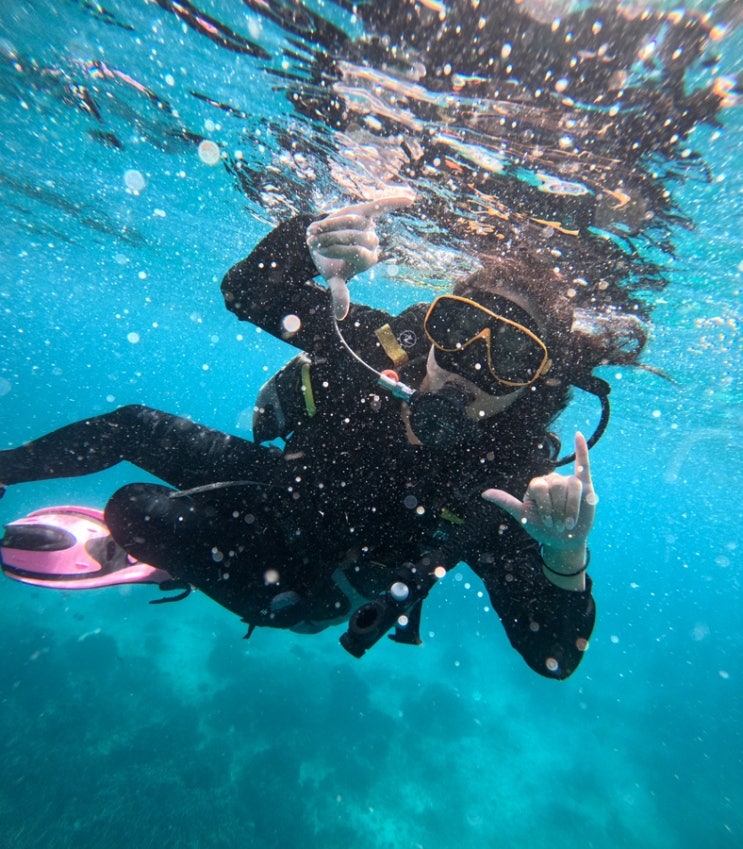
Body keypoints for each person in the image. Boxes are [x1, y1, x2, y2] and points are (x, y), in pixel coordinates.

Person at [0, 198, 612, 679]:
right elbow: (246, 291)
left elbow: (553, 656)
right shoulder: (376, 348)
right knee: (132, 424)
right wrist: (308, 245)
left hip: (309, 580)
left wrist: (566, 561)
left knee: (135, 509)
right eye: (460, 326)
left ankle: (165, 561)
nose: (468, 364)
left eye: (510, 356)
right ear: (434, 324)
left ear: (533, 387)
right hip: (278, 483)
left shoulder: (504, 483)